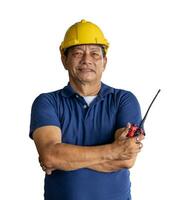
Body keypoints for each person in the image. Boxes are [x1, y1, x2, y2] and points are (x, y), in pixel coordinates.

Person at [29, 19, 144, 200]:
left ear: (104, 61)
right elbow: (50, 156)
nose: (86, 60)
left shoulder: (124, 100)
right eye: (77, 53)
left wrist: (64, 159)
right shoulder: (47, 102)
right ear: (64, 59)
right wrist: (113, 150)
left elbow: (126, 159)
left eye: (94, 54)